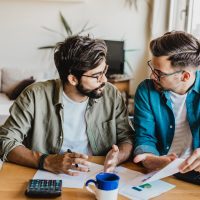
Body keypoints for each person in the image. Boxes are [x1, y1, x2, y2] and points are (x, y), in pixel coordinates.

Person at [0, 35, 133, 175]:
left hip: (97, 173)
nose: (104, 80)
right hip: (47, 174)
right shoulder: (34, 95)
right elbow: (5, 140)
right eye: (96, 76)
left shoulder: (111, 94)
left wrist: (118, 156)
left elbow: (127, 137)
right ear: (73, 79)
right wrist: (47, 161)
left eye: (104, 71)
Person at [133, 31, 200, 173]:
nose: (152, 76)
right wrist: (150, 158)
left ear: (185, 76)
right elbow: (145, 136)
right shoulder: (146, 91)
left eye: (160, 73)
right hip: (159, 170)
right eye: (153, 68)